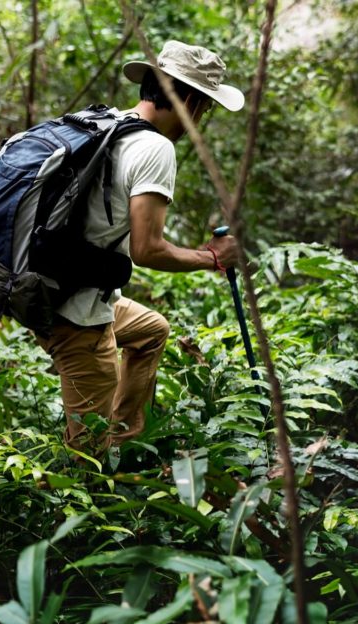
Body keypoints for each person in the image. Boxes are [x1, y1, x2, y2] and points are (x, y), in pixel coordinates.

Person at [38, 40, 244, 452]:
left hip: (42, 283)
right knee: (86, 457)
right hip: (77, 314)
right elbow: (146, 250)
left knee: (151, 330)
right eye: (205, 108)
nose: (200, 120)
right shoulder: (155, 147)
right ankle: (100, 461)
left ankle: (124, 442)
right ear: (189, 101)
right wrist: (212, 258)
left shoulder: (103, 123)